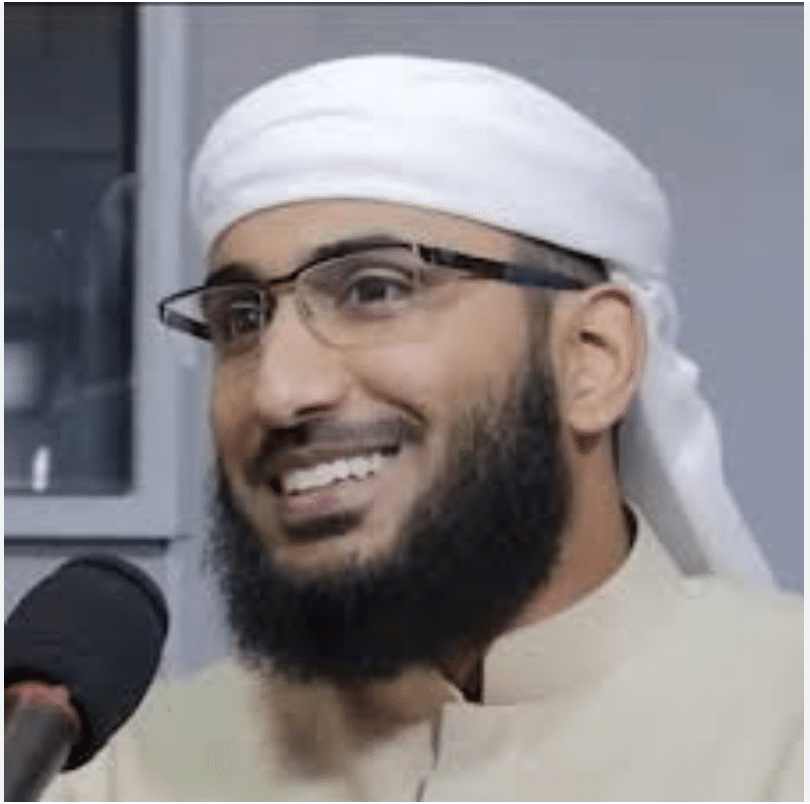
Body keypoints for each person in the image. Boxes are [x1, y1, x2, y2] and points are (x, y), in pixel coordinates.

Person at [46, 54, 801, 801]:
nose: (279, 392)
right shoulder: (115, 774)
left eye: (375, 290)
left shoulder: (784, 734)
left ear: (591, 357)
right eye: (241, 320)